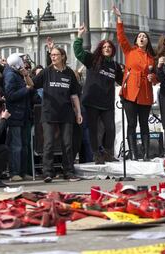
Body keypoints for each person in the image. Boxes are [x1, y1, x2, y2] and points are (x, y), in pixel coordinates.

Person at [31, 47, 83, 183]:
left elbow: (74, 95)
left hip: (66, 113)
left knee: (67, 144)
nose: (53, 57)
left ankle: (68, 172)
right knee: (48, 144)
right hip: (49, 113)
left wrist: (78, 112)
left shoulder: (69, 73)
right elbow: (32, 84)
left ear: (63, 56)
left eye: (56, 55)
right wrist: (25, 75)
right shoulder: (46, 72)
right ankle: (47, 172)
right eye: (51, 55)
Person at [73, 24, 123, 164]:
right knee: (93, 130)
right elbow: (78, 52)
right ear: (101, 49)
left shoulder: (115, 66)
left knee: (110, 129)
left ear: (112, 50)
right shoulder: (92, 59)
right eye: (104, 47)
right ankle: (96, 155)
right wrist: (79, 36)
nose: (107, 48)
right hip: (91, 101)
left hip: (107, 103)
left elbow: (122, 81)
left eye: (109, 47)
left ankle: (107, 153)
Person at [113, 6, 157, 161]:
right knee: (132, 124)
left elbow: (156, 77)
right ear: (137, 40)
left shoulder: (152, 57)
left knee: (144, 124)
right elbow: (121, 37)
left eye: (144, 36)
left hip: (145, 93)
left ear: (147, 40)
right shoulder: (130, 51)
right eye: (139, 36)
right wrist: (119, 19)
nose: (142, 37)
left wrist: (154, 78)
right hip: (130, 93)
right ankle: (133, 153)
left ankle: (146, 154)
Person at [3, 53, 35, 182]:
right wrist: (25, 90)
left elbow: (32, 86)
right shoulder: (10, 75)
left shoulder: (18, 73)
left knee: (25, 144)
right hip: (16, 115)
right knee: (17, 145)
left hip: (24, 114)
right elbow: (9, 95)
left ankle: (23, 171)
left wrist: (26, 75)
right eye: (21, 59)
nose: (23, 61)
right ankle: (15, 172)